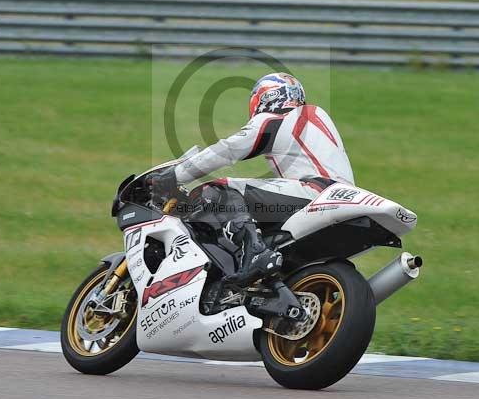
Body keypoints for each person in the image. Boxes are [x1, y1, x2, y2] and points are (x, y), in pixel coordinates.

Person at [148, 72, 354, 285]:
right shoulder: (317, 117)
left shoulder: (277, 118)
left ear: (265, 98)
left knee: (217, 190)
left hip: (315, 191)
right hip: (342, 196)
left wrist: (175, 175)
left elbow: (227, 150)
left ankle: (254, 251)